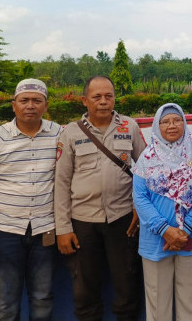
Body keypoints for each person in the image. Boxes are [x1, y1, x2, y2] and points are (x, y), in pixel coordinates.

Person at [55, 75, 147, 321]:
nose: (103, 101)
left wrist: (142, 207)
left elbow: (149, 169)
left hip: (124, 219)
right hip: (83, 222)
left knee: (127, 284)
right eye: (97, 97)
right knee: (85, 290)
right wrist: (63, 228)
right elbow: (61, 183)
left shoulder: (130, 127)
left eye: (109, 96)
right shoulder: (70, 133)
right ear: (85, 100)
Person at [0, 78, 62, 321]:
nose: (30, 105)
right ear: (14, 105)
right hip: (6, 232)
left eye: (36, 101)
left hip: (45, 229)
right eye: (24, 100)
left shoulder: (59, 134)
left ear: (46, 105)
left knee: (42, 297)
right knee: (5, 303)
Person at [133, 103, 192, 321]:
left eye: (177, 120)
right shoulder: (146, 158)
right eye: (165, 121)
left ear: (184, 124)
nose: (171, 125)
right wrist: (165, 229)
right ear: (157, 126)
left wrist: (185, 229)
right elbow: (140, 198)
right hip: (155, 239)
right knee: (158, 305)